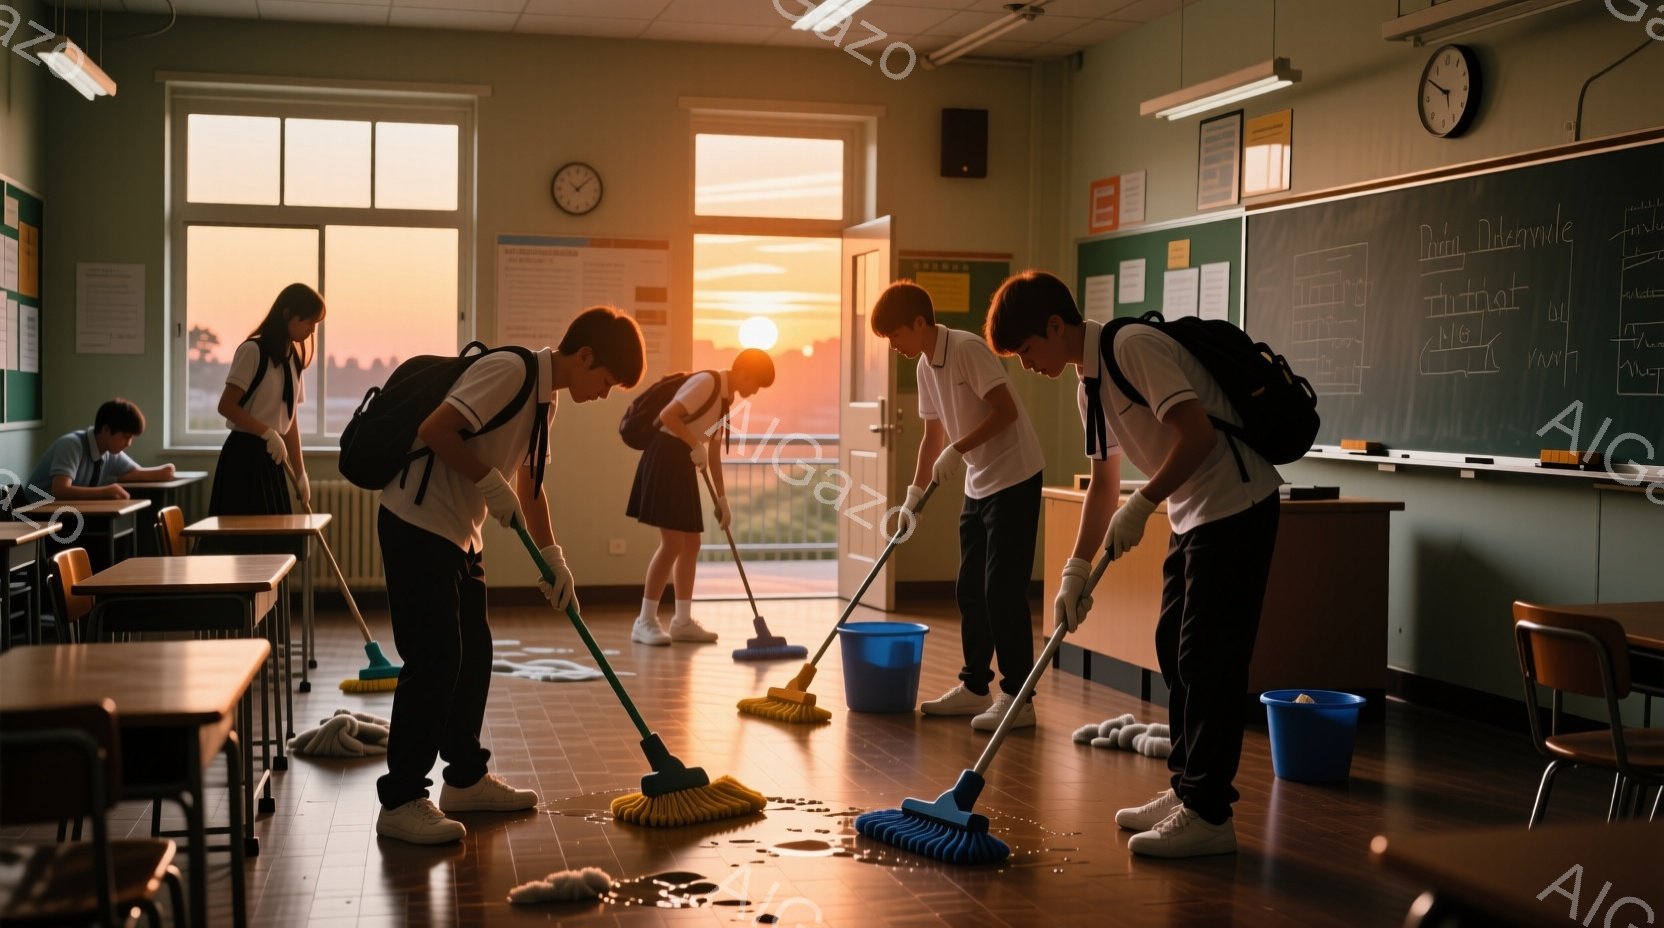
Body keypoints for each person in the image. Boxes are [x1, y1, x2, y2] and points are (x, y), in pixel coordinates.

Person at [985, 270, 1282, 859]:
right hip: (1194, 514)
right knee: (1174, 647)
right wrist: (1074, 569)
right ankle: (1187, 790)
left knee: (1209, 660)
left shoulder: (1131, 348)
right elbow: (1103, 484)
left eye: (1026, 350)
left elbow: (1196, 435)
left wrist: (1143, 504)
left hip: (1237, 504)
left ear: (1055, 326)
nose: (1027, 364)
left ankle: (1209, 814)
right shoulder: (1088, 387)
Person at [374, 305, 645, 845]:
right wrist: (487, 480)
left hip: (460, 534)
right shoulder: (511, 371)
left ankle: (465, 781)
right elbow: (436, 429)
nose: (604, 394)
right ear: (584, 356)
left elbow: (531, 487)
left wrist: (554, 558)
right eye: (607, 382)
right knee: (434, 660)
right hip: (417, 522)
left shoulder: (546, 403)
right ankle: (401, 800)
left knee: (474, 656)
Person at [872, 281, 1046, 731]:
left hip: (1015, 475)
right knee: (969, 589)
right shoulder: (924, 366)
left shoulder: (967, 349)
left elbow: (1005, 411)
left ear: (919, 323)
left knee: (1002, 591)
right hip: (979, 481)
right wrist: (913, 496)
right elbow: (932, 437)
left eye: (895, 336)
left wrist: (959, 448)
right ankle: (975, 687)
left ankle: (1019, 697)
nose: (893, 346)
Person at [626, 348, 775, 646]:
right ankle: (645, 621)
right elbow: (667, 416)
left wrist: (722, 499)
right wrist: (694, 443)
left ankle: (682, 622)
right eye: (755, 384)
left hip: (681, 460)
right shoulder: (707, 383)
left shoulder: (725, 401)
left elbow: (714, 452)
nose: (755, 391)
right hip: (665, 456)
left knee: (691, 543)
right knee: (672, 543)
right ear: (742, 372)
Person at [210, 282, 325, 516]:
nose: (312, 330)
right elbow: (226, 406)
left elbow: (290, 420)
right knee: (246, 534)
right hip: (243, 458)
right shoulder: (253, 351)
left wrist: (300, 472)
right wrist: (267, 433)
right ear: (287, 314)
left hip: (272, 458)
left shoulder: (293, 361)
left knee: (275, 533)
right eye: (309, 322)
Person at [17, 398, 175, 508]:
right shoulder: (72, 445)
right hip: (35, 513)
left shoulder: (110, 452)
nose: (128, 443)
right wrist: (105, 492)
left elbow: (134, 473)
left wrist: (165, 471)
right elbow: (60, 490)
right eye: (126, 436)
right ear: (106, 430)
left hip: (64, 512)